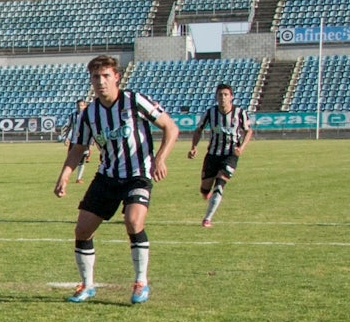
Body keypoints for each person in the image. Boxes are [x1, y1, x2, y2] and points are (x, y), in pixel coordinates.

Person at [53, 55, 178, 304]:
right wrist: (64, 176)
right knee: (83, 229)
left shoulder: (134, 101)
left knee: (133, 221)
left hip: (137, 175)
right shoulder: (88, 114)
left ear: (117, 77)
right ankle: (87, 285)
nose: (101, 81)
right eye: (96, 77)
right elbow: (78, 148)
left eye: (106, 76)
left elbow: (170, 127)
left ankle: (141, 282)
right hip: (107, 176)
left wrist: (160, 158)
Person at [186, 82, 252, 228]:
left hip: (231, 154)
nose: (223, 97)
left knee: (220, 183)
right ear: (216, 97)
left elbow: (248, 131)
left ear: (231, 97)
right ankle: (207, 194)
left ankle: (207, 218)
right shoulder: (210, 112)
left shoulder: (240, 113)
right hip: (212, 155)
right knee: (205, 188)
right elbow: (198, 130)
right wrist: (193, 147)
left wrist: (242, 147)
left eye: (225, 94)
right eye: (220, 95)